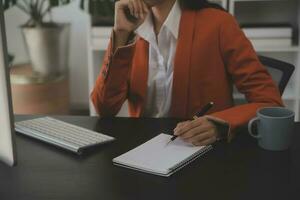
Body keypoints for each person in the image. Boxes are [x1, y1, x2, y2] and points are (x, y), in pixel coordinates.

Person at [91, 0, 283, 145]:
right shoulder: (131, 27)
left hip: (200, 153)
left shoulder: (218, 24)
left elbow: (269, 102)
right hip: (143, 150)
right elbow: (105, 108)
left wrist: (220, 124)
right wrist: (121, 33)